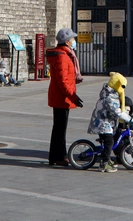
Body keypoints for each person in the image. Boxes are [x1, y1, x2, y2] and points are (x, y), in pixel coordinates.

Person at [46, 28, 83, 166]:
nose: (74, 41)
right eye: (72, 39)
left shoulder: (65, 54)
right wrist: (73, 97)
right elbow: (63, 81)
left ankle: (56, 156)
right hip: (61, 97)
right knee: (60, 129)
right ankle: (58, 157)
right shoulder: (62, 56)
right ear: (67, 41)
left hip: (60, 96)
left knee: (59, 128)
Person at [87, 72, 133, 173]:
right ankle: (104, 164)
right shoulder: (110, 98)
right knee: (109, 142)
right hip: (102, 123)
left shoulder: (110, 94)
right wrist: (129, 119)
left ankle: (106, 158)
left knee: (108, 141)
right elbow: (117, 112)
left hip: (104, 122)